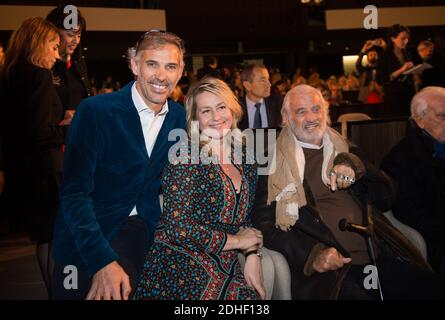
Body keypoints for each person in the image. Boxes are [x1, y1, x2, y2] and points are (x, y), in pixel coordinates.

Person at [251, 84, 445, 299]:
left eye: (316, 109)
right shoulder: (273, 162)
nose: (311, 117)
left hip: (376, 257)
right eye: (301, 111)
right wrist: (311, 255)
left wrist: (356, 167)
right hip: (332, 273)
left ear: (326, 113)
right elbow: (265, 223)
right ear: (286, 118)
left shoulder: (345, 148)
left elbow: (387, 196)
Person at [51, 30, 186, 300]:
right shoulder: (95, 111)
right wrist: (101, 260)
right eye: (152, 64)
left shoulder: (179, 118)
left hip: (142, 231)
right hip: (89, 231)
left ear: (181, 71)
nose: (162, 76)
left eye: (170, 66)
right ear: (134, 65)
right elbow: (75, 194)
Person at [133, 77, 266, 300]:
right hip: (180, 258)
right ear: (196, 119)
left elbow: (244, 218)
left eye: (221, 107)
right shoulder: (185, 157)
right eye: (206, 111)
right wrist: (237, 242)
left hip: (223, 257)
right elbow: (179, 228)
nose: (216, 117)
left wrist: (252, 254)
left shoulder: (246, 156)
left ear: (232, 109)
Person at [0, 17, 65, 298]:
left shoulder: (9, 75)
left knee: (44, 237)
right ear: (37, 44)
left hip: (23, 171)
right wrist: (68, 128)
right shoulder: (38, 76)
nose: (57, 55)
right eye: (53, 46)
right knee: (56, 239)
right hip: (46, 171)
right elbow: (40, 132)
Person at [381, 87, 445, 274]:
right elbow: (409, 215)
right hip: (433, 246)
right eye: (442, 115)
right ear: (420, 120)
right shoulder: (400, 161)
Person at [46, 6, 92, 116]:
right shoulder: (44, 65)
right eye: (71, 35)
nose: (76, 41)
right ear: (53, 32)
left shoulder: (77, 62)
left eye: (79, 35)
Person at [378, 24, 415, 116]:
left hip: (408, 95)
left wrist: (415, 73)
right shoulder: (384, 55)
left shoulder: (407, 54)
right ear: (393, 39)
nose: (406, 41)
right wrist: (401, 70)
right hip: (393, 98)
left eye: (407, 38)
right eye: (403, 38)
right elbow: (380, 80)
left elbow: (409, 75)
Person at [238, 63, 282, 130]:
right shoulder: (236, 108)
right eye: (263, 80)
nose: (269, 84)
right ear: (247, 85)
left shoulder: (278, 103)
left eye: (268, 80)